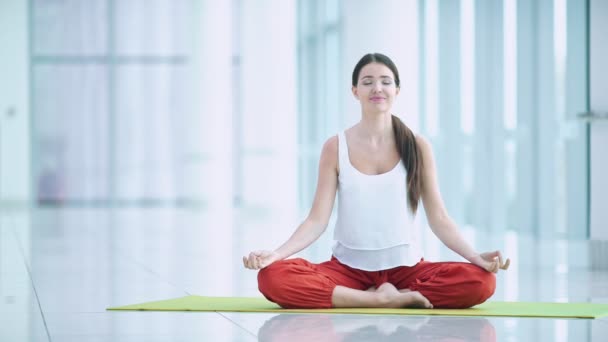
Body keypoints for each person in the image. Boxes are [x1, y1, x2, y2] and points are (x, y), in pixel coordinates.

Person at [243, 52, 510, 310]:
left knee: (481, 282)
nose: (377, 88)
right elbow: (316, 221)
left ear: (397, 90)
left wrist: (475, 257)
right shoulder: (335, 147)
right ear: (354, 91)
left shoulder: (417, 146)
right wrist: (276, 255)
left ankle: (389, 294)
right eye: (367, 82)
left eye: (385, 81)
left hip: (407, 270)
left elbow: (439, 218)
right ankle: (381, 299)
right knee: (272, 277)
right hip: (347, 271)